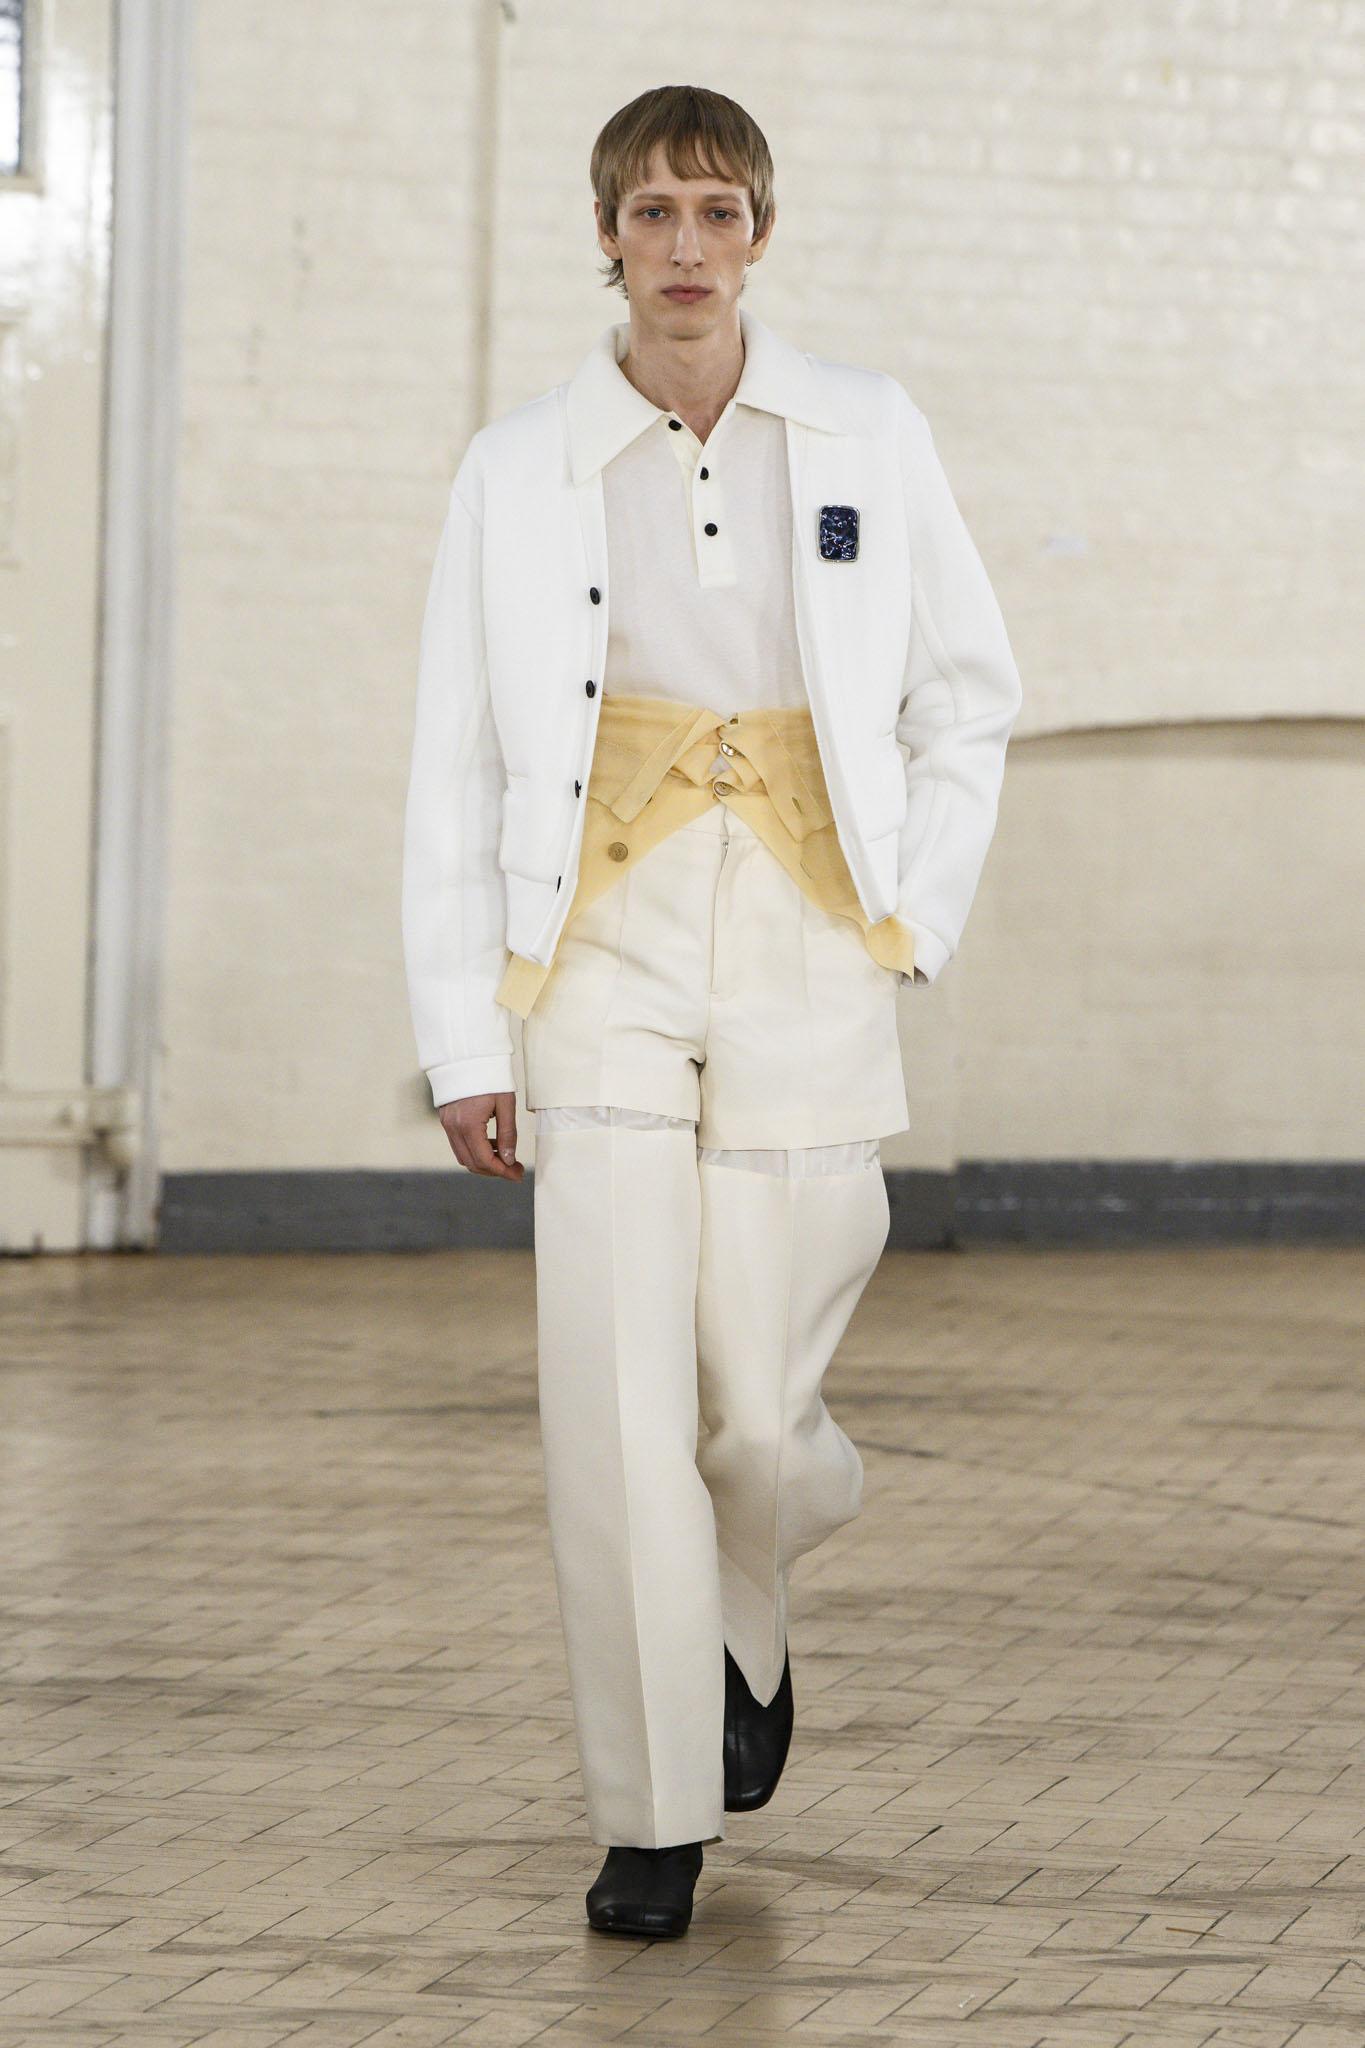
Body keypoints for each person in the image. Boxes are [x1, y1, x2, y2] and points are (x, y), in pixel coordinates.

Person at [401, 83, 1023, 1939]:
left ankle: (747, 1607)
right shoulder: (516, 465)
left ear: (760, 234)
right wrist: (461, 1042)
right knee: (613, 1389)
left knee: (754, 1409)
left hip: (812, 931)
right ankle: (651, 1809)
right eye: (653, 213)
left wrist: (915, 913)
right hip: (594, 941)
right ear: (606, 234)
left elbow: (966, 695)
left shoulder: (864, 430)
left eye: (718, 213)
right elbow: (453, 765)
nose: (685, 246)